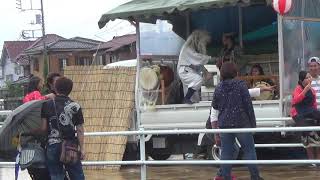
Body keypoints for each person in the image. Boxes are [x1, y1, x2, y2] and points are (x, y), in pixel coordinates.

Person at [212, 62, 263, 180]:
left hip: (225, 124)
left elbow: (215, 106)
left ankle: (226, 177)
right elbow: (248, 106)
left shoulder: (219, 87)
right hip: (242, 123)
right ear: (235, 72)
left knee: (226, 153)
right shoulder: (241, 85)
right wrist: (253, 124)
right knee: (249, 151)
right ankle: (255, 177)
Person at [40, 77, 85, 180]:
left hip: (52, 145)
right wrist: (82, 149)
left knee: (56, 176)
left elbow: (43, 128)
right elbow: (80, 129)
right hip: (70, 146)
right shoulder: (75, 106)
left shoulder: (46, 104)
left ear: (55, 88)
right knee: (77, 175)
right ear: (70, 89)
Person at [22, 75, 52, 180]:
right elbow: (38, 103)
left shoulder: (26, 96)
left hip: (30, 124)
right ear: (36, 84)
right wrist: (48, 97)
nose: (42, 84)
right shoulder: (36, 93)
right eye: (41, 83)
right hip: (38, 122)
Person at [290, 71, 320, 164]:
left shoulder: (312, 90)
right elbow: (295, 101)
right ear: (302, 80)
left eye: (309, 77)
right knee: (307, 135)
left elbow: (314, 104)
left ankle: (317, 160)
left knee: (317, 137)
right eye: (307, 77)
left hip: (309, 112)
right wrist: (305, 90)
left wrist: (315, 114)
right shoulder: (298, 88)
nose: (309, 79)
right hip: (299, 113)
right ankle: (312, 161)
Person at [178, 30, 212, 104]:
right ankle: (186, 98)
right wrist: (210, 58)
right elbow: (197, 58)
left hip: (187, 71)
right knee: (198, 80)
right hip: (185, 71)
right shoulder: (188, 49)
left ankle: (190, 102)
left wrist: (206, 72)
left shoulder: (190, 49)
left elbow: (197, 64)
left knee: (194, 93)